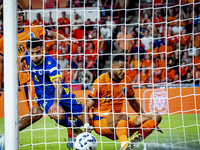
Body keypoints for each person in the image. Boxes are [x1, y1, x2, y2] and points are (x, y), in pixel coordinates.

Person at [0, 3, 77, 148]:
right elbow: (1, 62)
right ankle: (6, 137)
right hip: (29, 80)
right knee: (36, 112)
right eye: (14, 15)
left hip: (48, 74)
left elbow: (51, 33)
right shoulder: (5, 40)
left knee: (64, 103)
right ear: (6, 18)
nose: (18, 18)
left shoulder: (33, 30)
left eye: (20, 14)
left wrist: (64, 39)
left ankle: (73, 136)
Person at [83, 55, 163, 150]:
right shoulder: (101, 80)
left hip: (120, 124)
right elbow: (86, 106)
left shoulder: (127, 81)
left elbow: (133, 102)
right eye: (121, 68)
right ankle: (124, 144)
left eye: (126, 68)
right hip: (101, 122)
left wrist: (147, 121)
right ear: (112, 66)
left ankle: (133, 140)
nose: (124, 71)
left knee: (156, 116)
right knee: (122, 116)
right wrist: (87, 126)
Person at [20, 37, 86, 138]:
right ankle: (74, 129)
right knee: (58, 115)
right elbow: (23, 55)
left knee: (86, 119)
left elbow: (58, 86)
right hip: (44, 95)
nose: (35, 56)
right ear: (29, 52)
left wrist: (55, 104)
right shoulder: (27, 55)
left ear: (42, 49)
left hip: (62, 92)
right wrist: (20, 61)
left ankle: (76, 125)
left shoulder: (50, 63)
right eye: (32, 53)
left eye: (38, 52)